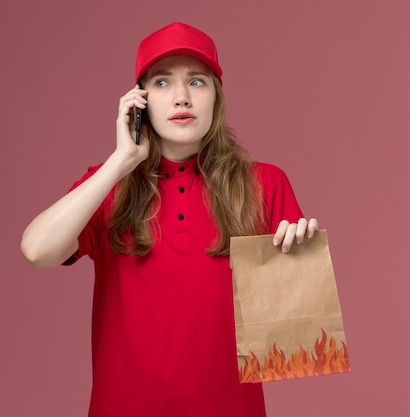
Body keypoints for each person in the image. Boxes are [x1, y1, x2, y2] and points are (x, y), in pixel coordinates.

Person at [21, 22, 318, 417]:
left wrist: (299, 265)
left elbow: (293, 337)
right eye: (162, 83)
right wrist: (120, 162)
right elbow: (37, 250)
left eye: (197, 82)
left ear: (216, 97)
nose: (181, 97)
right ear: (139, 101)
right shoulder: (110, 184)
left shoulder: (265, 183)